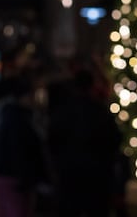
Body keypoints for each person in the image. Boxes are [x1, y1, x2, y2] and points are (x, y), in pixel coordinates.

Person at [48, 66, 121, 217]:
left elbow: (52, 141)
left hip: (69, 174)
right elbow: (114, 141)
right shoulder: (99, 112)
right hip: (96, 176)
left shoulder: (63, 112)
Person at [0, 70, 49, 217]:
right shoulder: (16, 117)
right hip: (11, 176)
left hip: (6, 174)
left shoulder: (12, 114)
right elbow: (20, 149)